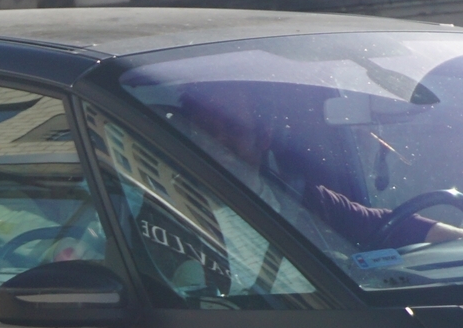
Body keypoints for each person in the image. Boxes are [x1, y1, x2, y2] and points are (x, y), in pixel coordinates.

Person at [181, 81, 463, 251]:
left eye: (233, 127)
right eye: (205, 129)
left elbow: (391, 226)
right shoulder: (164, 201)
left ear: (264, 135)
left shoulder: (304, 201)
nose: (217, 140)